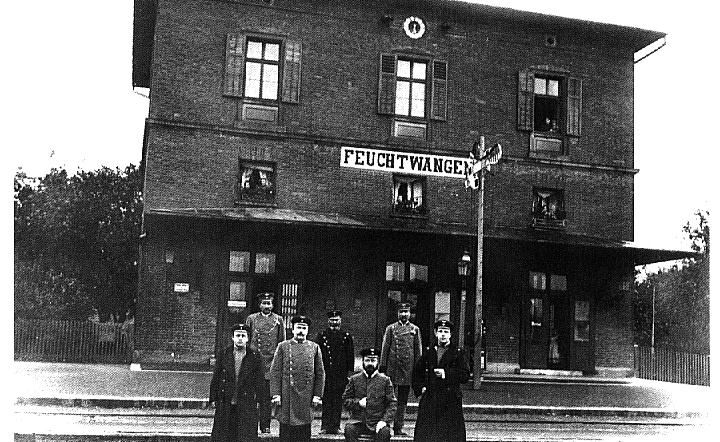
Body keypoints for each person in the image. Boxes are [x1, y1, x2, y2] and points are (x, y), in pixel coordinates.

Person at [411, 320, 471, 442]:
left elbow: (465, 375)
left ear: (450, 334)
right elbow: (417, 372)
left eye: (446, 332)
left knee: (450, 435)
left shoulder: (458, 353)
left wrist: (446, 374)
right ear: (435, 333)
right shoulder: (429, 351)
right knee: (427, 434)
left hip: (450, 399)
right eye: (440, 331)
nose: (443, 334)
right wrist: (421, 388)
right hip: (431, 398)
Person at [269, 315, 325, 442]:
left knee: (304, 433)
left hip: (306, 396)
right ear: (293, 330)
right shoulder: (283, 346)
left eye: (304, 328)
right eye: (298, 327)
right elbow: (275, 372)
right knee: (286, 433)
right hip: (287, 395)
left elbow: (320, 373)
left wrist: (317, 395)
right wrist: (276, 394)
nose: (301, 331)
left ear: (308, 330)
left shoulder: (314, 347)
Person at [210, 323, 264, 442]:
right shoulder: (224, 353)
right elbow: (217, 376)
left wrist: (261, 400)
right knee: (224, 434)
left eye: (243, 336)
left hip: (246, 402)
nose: (240, 338)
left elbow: (260, 381)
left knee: (244, 435)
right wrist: (213, 397)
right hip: (226, 400)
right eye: (237, 335)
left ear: (248, 338)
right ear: (233, 337)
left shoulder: (255, 356)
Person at [379, 302, 422, 436]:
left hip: (407, 369)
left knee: (402, 400)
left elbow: (418, 350)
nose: (404, 314)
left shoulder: (415, 329)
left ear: (410, 313)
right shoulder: (390, 329)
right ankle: (384, 425)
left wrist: (418, 368)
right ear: (398, 313)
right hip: (392, 368)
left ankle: (398, 427)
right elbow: (385, 348)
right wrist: (382, 366)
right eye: (401, 311)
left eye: (406, 312)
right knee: (388, 398)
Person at [245, 292, 285, 433]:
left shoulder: (278, 320)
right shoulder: (252, 319)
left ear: (273, 305)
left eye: (269, 303)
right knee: (252, 396)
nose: (266, 306)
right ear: (259, 305)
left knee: (266, 398)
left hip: (270, 364)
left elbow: (281, 343)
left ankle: (265, 425)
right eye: (264, 303)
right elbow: (246, 340)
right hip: (255, 362)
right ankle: (250, 426)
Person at [342, 348, 396, 442]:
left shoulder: (385, 380)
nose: (370, 363)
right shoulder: (354, 379)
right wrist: (358, 403)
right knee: (349, 429)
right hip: (358, 421)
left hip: (377, 421)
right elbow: (345, 401)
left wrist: (384, 421)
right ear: (363, 361)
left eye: (373, 360)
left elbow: (392, 404)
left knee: (385, 432)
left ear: (378, 362)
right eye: (367, 360)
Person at [316, 310, 355, 434]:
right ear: (328, 321)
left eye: (337, 320)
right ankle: (325, 426)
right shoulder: (322, 336)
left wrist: (349, 374)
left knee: (338, 400)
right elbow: (317, 355)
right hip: (326, 373)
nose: (334, 322)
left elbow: (350, 356)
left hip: (340, 375)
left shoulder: (346, 336)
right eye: (332, 320)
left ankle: (336, 426)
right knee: (327, 400)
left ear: (340, 321)